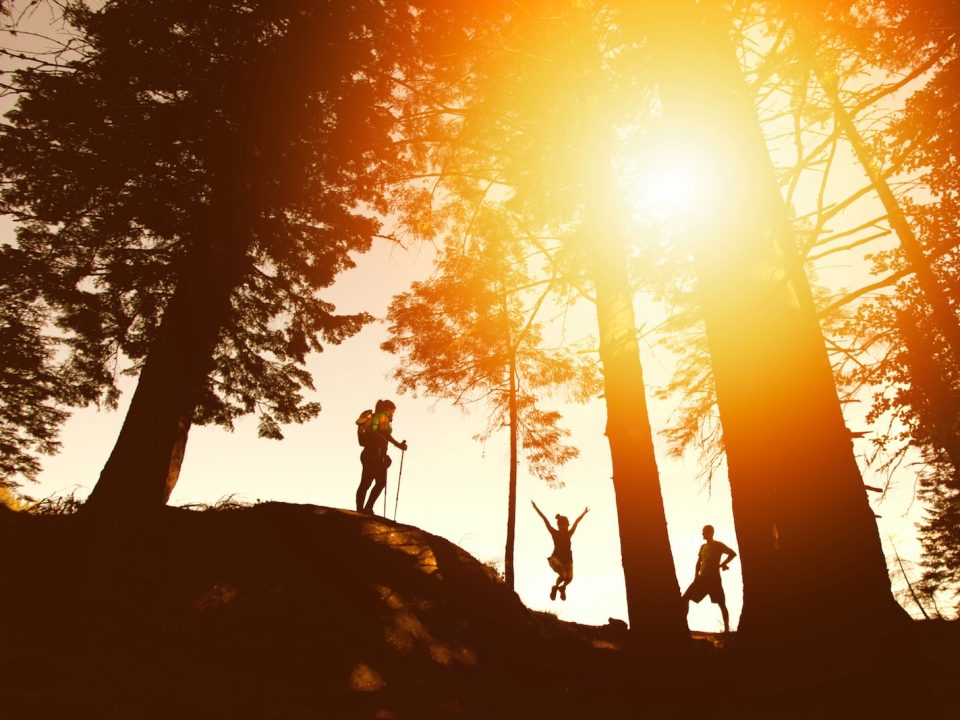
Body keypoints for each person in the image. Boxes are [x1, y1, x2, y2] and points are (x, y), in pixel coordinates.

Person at [681, 524, 737, 633]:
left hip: (714, 579)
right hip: (702, 579)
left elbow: (732, 553)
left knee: (721, 603)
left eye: (704, 532)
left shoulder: (718, 545)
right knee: (685, 598)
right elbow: (698, 562)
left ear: (710, 533)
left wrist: (722, 564)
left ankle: (726, 630)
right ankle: (683, 625)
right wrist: (696, 576)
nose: (702, 534)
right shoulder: (702, 547)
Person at [355, 399, 407, 514]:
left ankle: (360, 509)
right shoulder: (383, 416)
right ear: (388, 409)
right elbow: (384, 433)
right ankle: (367, 508)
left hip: (368, 453)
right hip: (376, 455)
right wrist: (398, 445)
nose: (393, 414)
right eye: (392, 411)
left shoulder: (375, 417)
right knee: (379, 482)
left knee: (366, 482)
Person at [531, 500, 589, 601]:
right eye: (562, 525)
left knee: (569, 578)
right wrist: (536, 508)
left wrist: (584, 513)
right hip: (556, 558)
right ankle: (555, 587)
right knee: (563, 575)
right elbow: (545, 520)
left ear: (567, 526)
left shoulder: (569, 533)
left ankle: (562, 588)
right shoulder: (555, 533)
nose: (564, 527)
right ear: (559, 526)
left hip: (567, 560)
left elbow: (576, 522)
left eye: (566, 525)